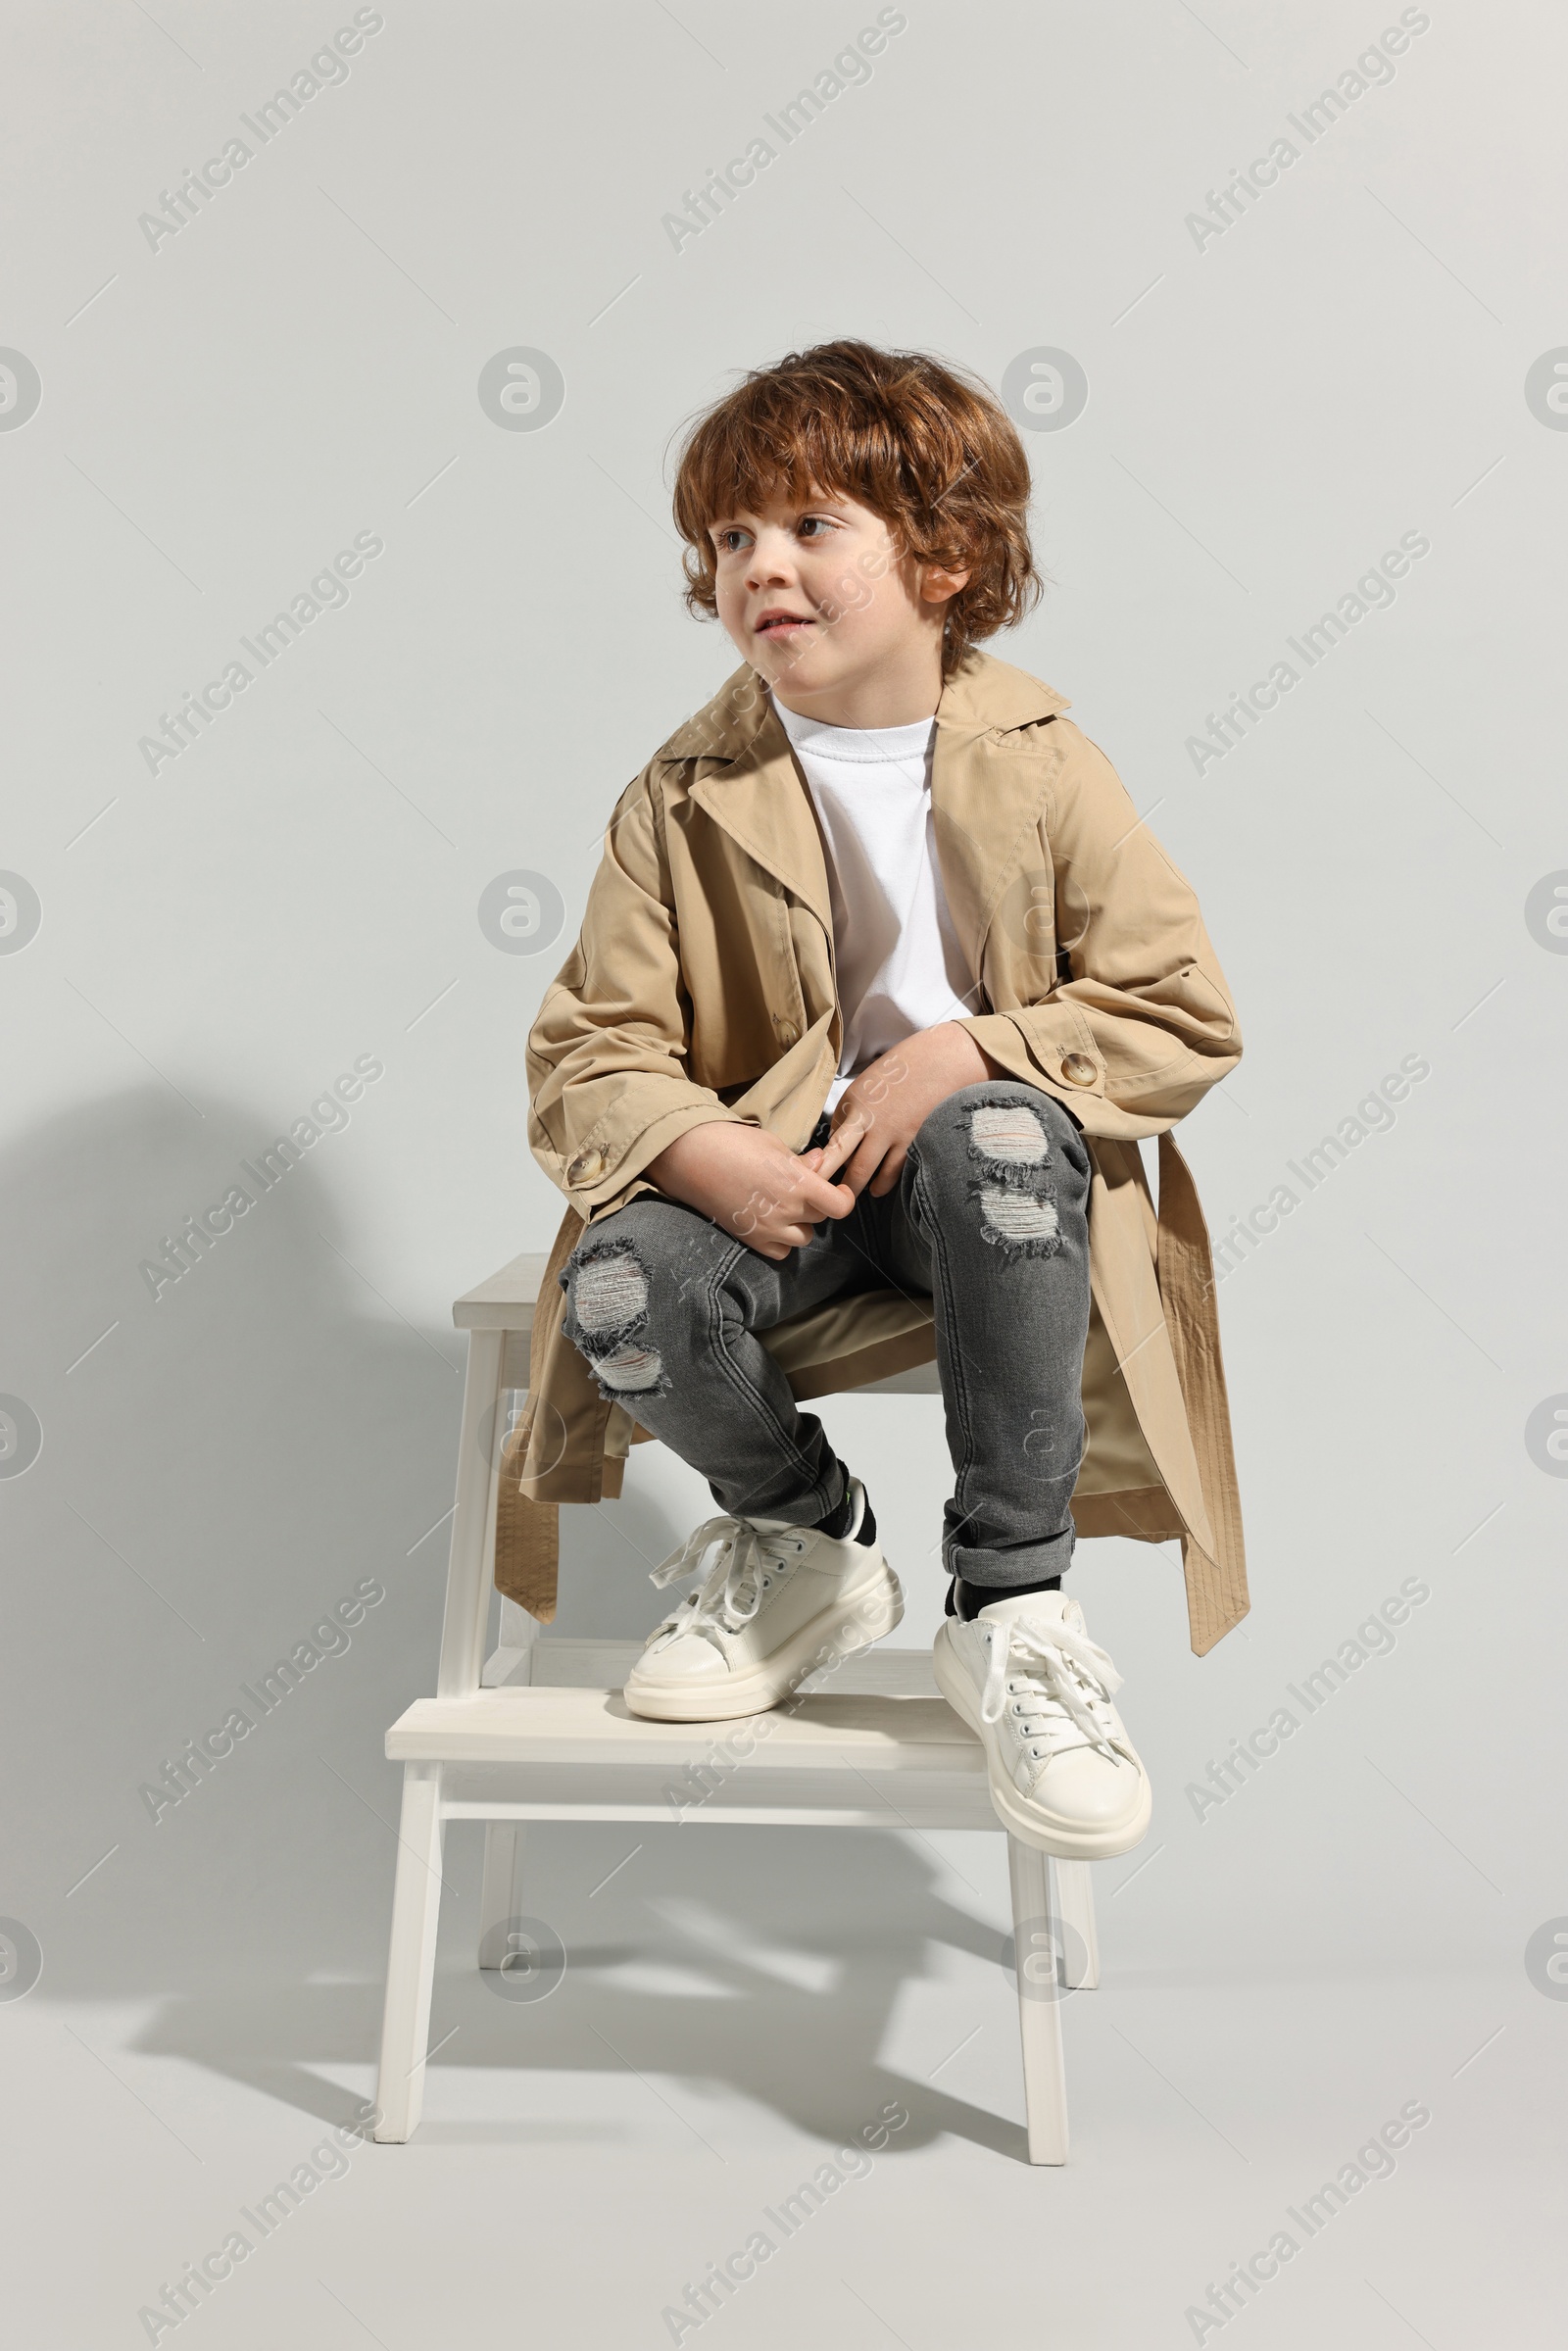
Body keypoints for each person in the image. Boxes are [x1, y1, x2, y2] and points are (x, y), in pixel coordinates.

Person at [520, 339, 1246, 1858]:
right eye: (730, 540)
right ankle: (803, 1533)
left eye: (809, 528)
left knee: (990, 1132)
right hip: (783, 1204)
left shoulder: (1045, 766)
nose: (758, 569)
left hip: (991, 1197)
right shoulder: (682, 794)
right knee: (618, 1291)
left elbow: (1179, 1012)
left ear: (943, 556)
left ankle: (1010, 1600)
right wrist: (700, 1147)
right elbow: (592, 1044)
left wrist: (975, 1048)